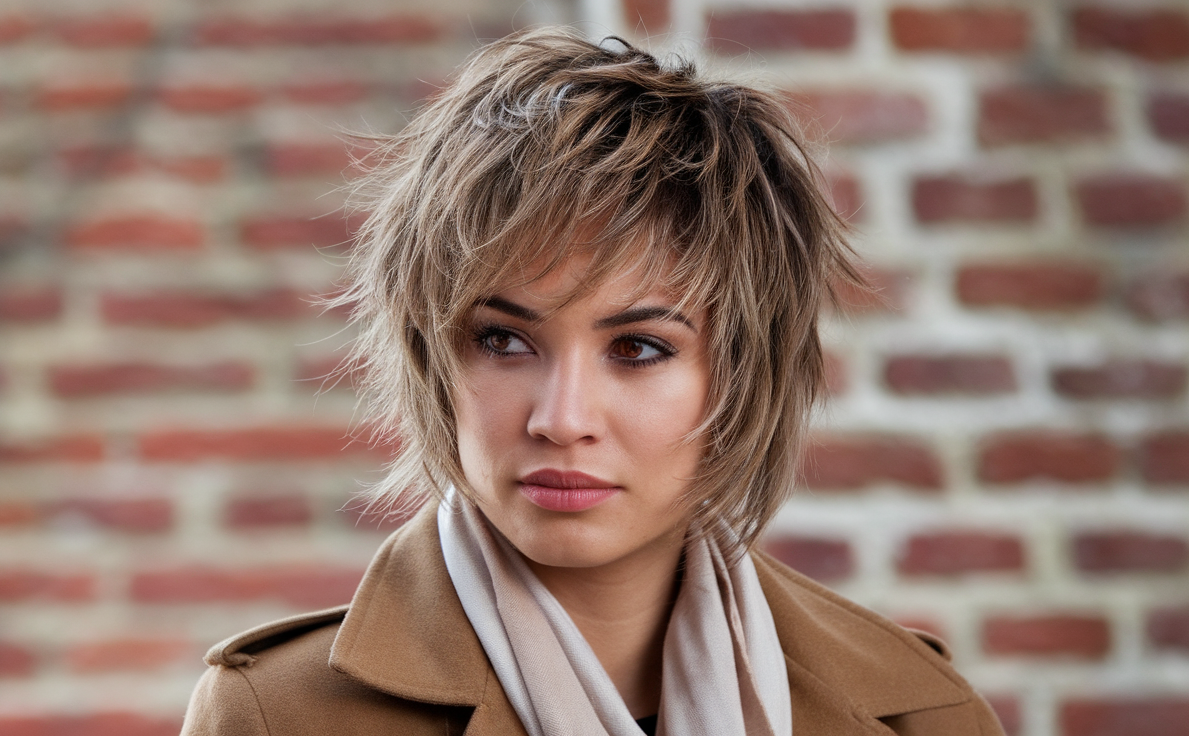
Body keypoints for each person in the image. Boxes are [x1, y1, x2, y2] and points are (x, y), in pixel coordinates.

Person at [180, 27, 1006, 736]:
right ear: (435, 356)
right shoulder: (277, 715)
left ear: (743, 372)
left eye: (639, 349)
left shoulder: (917, 714)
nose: (562, 417)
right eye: (503, 339)